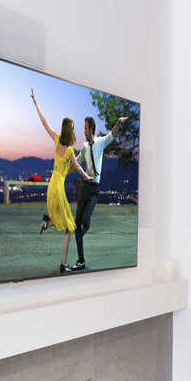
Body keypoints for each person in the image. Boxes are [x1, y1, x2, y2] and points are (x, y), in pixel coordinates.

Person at [32, 88, 90, 273]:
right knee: (69, 227)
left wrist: (35, 102)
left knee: (57, 215)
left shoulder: (56, 139)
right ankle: (63, 265)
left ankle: (45, 221)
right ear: (71, 131)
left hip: (52, 185)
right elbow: (78, 167)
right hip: (59, 188)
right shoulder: (71, 151)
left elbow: (44, 122)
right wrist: (87, 176)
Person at [72, 113, 127, 270]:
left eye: (85, 128)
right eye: (83, 128)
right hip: (85, 186)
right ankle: (81, 260)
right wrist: (63, 173)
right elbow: (76, 162)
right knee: (77, 224)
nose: (83, 131)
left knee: (85, 221)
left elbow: (112, 134)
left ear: (91, 129)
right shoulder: (83, 147)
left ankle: (82, 234)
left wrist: (118, 122)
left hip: (94, 188)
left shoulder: (101, 142)